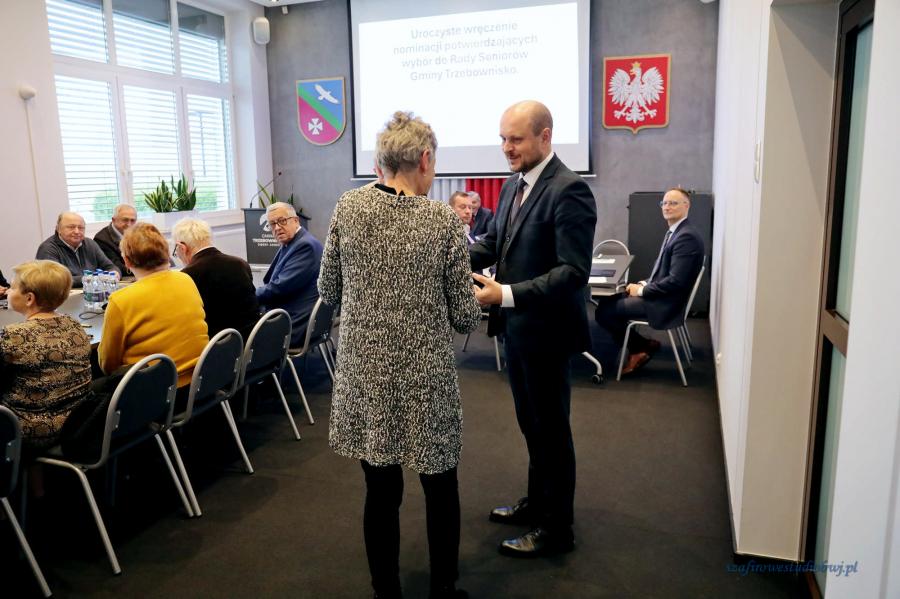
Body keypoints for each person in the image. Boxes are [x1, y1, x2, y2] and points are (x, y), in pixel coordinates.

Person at [318, 111, 481, 599]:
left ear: (382, 160)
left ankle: (385, 591)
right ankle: (443, 589)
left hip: (365, 375)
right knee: (440, 488)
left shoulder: (348, 207)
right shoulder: (442, 220)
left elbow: (329, 290)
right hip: (425, 377)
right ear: (425, 159)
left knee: (381, 492)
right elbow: (464, 317)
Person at [470, 100, 596, 558]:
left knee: (551, 432)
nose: (507, 148)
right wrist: (443, 255)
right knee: (532, 425)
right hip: (518, 331)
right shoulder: (512, 185)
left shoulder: (570, 190)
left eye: (516, 139)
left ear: (545, 136)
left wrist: (505, 294)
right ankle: (539, 503)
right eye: (503, 138)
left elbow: (572, 272)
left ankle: (557, 531)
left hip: (547, 333)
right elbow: (494, 243)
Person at [594, 187, 704, 374]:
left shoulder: (686, 237)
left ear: (687, 206)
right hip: (664, 296)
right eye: (664, 203)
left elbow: (675, 281)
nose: (667, 207)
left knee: (604, 311)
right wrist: (644, 284)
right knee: (610, 300)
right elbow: (664, 274)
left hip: (665, 303)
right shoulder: (678, 232)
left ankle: (639, 348)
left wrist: (641, 291)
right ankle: (642, 344)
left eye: (673, 203)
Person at [98, 223, 208, 391]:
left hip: (153, 391)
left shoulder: (121, 300)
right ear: (166, 254)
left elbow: (107, 365)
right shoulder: (186, 280)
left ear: (126, 261)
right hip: (200, 381)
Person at [0, 260, 91, 452]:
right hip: (78, 421)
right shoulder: (73, 324)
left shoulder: (13, 335)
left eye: (12, 287)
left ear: (29, 298)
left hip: (31, 431)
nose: (7, 291)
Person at [172, 218, 260, 341]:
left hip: (218, 346)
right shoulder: (240, 264)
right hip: (253, 342)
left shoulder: (187, 277)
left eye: (176, 252)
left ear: (182, 248)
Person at [256, 202, 322, 347]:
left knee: (241, 331)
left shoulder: (305, 246)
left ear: (296, 220)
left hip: (294, 323)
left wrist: (249, 296)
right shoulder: (295, 241)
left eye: (282, 221)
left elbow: (279, 288)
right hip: (295, 311)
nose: (277, 228)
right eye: (272, 224)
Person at [36, 212, 119, 288]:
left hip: (92, 292)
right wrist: (93, 279)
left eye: (81, 228)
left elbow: (110, 266)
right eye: (71, 227)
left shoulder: (90, 244)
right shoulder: (47, 248)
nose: (76, 231)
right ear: (58, 229)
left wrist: (115, 273)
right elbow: (55, 280)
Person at [94, 204, 138, 276]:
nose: (129, 224)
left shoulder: (137, 233)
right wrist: (144, 270)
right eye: (125, 220)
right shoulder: (101, 240)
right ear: (113, 220)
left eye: (132, 220)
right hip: (123, 277)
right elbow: (116, 267)